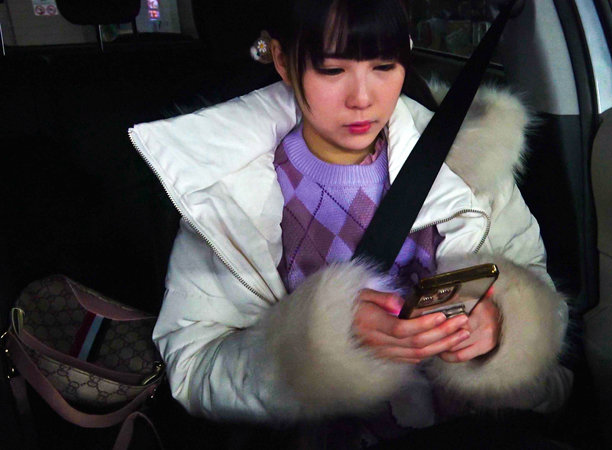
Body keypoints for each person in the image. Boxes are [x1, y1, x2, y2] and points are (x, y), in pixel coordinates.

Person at [129, 0, 572, 446]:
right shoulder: (225, 191)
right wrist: (321, 348)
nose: (362, 98)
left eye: (384, 66)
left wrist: (502, 327)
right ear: (283, 61)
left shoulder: (467, 158)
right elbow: (194, 366)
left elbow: (536, 283)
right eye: (332, 70)